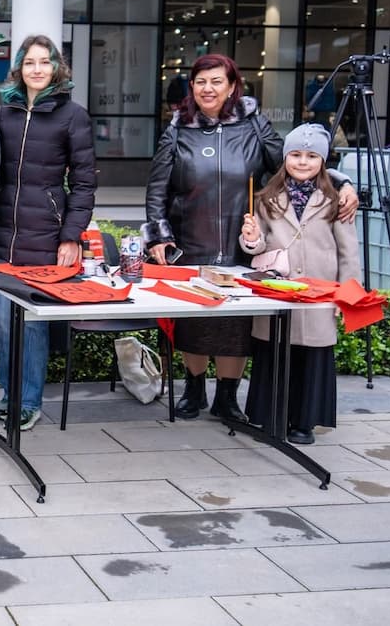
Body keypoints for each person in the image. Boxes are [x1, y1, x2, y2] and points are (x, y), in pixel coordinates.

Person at [144, 53, 358, 422]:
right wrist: (159, 237)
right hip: (191, 242)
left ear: (231, 86)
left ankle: (227, 396)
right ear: (191, 87)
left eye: (216, 81)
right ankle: (194, 390)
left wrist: (342, 182)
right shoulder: (177, 129)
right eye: (200, 82)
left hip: (244, 243)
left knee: (236, 328)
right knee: (194, 323)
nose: (208, 89)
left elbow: (293, 164)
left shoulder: (253, 124)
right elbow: (157, 190)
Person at [0, 34, 96, 432]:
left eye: (44, 62)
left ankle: (28, 400)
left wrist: (71, 235)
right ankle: (7, 395)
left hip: (46, 234)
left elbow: (84, 184)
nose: (37, 69)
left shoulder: (72, 115)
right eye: (30, 62)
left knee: (32, 323)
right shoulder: (5, 112)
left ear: (56, 68)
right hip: (2, 235)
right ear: (19, 67)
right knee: (3, 322)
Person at [240, 124, 359, 444]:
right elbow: (259, 246)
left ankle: (304, 422)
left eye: (311, 156)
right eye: (295, 154)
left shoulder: (337, 200)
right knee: (274, 356)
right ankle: (269, 416)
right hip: (277, 292)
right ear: (284, 158)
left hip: (320, 294)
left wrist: (347, 297)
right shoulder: (267, 198)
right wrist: (250, 239)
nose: (302, 162)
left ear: (323, 161)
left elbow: (348, 252)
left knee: (311, 359)